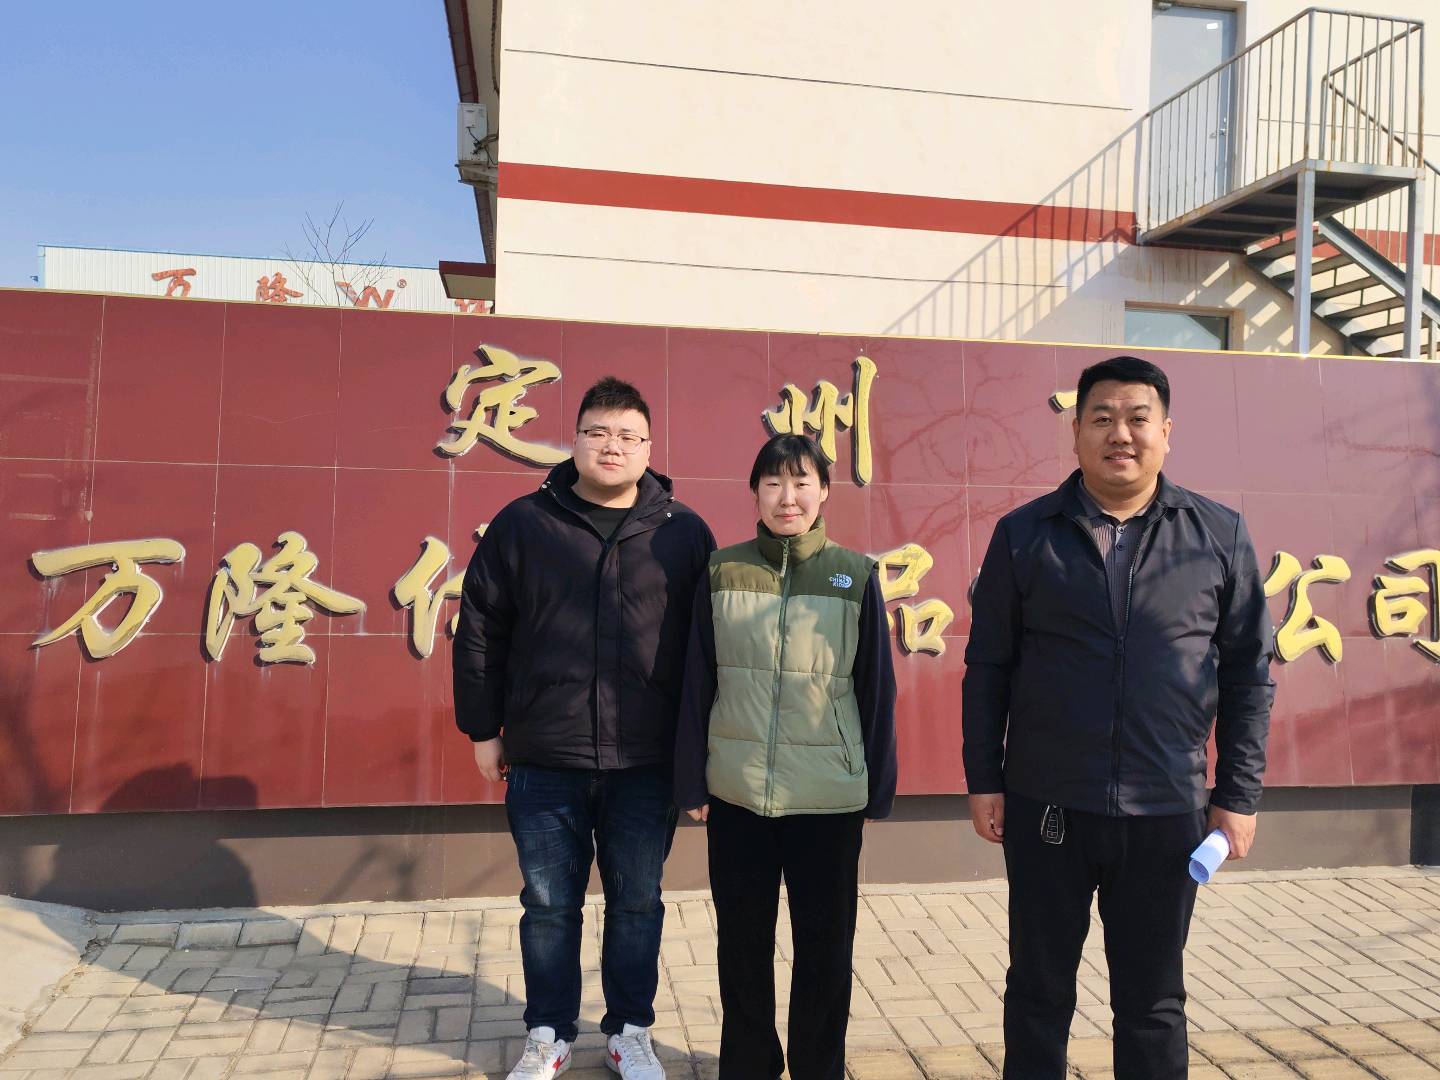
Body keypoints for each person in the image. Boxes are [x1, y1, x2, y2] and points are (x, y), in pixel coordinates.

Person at [962, 355, 1275, 1079]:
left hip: (1167, 807)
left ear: (1167, 432)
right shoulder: (1024, 534)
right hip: (1048, 802)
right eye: (1102, 418)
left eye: (1138, 418)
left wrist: (1238, 795)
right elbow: (988, 667)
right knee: (1037, 991)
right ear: (1076, 431)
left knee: (1153, 1000)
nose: (1120, 434)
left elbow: (1248, 675)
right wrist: (985, 778)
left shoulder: (1218, 535)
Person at [454, 376, 715, 1080]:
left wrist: (699, 753)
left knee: (637, 902)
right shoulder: (524, 524)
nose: (613, 446)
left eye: (629, 436)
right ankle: (548, 1033)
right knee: (547, 904)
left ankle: (630, 1031)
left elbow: (707, 651)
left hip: (646, 761)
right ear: (573, 441)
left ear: (649, 448)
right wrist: (482, 729)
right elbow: (480, 628)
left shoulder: (684, 533)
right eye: (599, 432)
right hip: (546, 755)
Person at [674, 433, 898, 1080]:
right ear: (755, 492)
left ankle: (817, 1069)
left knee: (826, 951)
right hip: (739, 793)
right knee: (741, 948)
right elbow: (696, 680)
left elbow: (875, 689)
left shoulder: (854, 575)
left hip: (827, 801)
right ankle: (749, 1067)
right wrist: (691, 780)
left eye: (801, 482)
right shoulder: (722, 572)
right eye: (773, 483)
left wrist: (878, 785)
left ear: (824, 491)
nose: (787, 497)